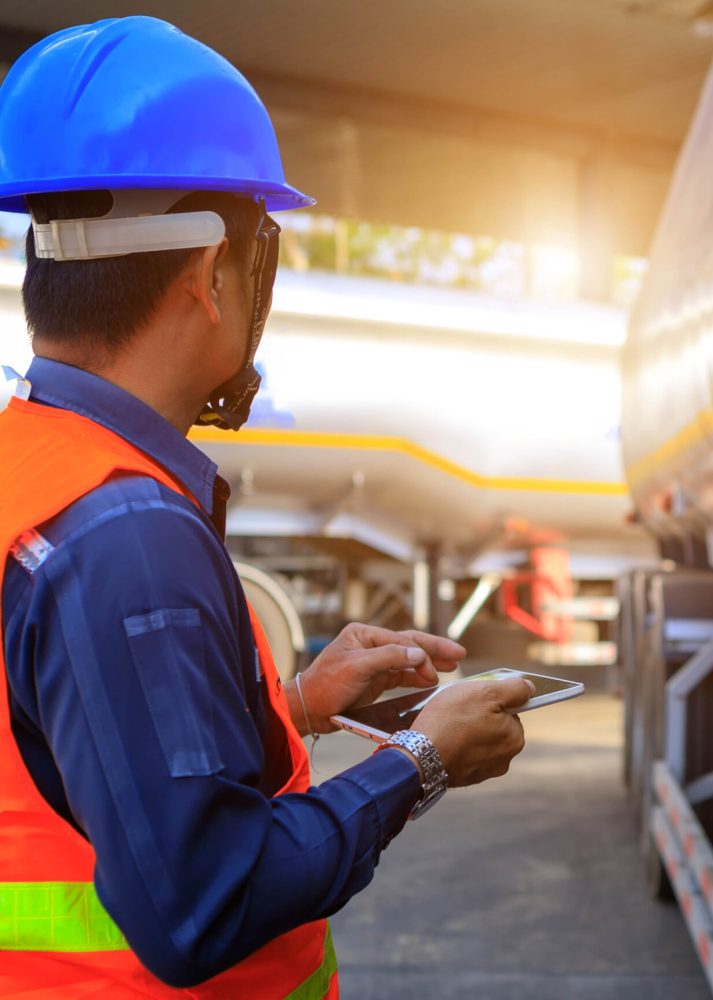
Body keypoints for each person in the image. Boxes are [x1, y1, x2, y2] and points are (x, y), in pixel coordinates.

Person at [0, 16, 532, 999]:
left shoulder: (28, 473)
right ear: (211, 278)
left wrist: (292, 706)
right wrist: (422, 759)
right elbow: (204, 901)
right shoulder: (128, 532)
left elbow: (66, 751)